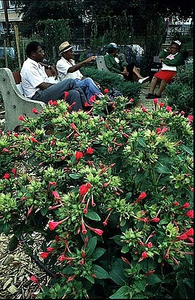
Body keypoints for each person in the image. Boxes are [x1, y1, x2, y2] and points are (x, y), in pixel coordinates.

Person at [21, 41, 88, 112]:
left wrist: (49, 67)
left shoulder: (36, 64)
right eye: (40, 52)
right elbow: (42, 86)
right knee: (70, 82)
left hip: (43, 93)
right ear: (33, 54)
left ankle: (78, 119)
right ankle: (86, 105)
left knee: (74, 93)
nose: (43, 54)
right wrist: (59, 87)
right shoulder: (29, 67)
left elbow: (42, 65)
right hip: (37, 97)